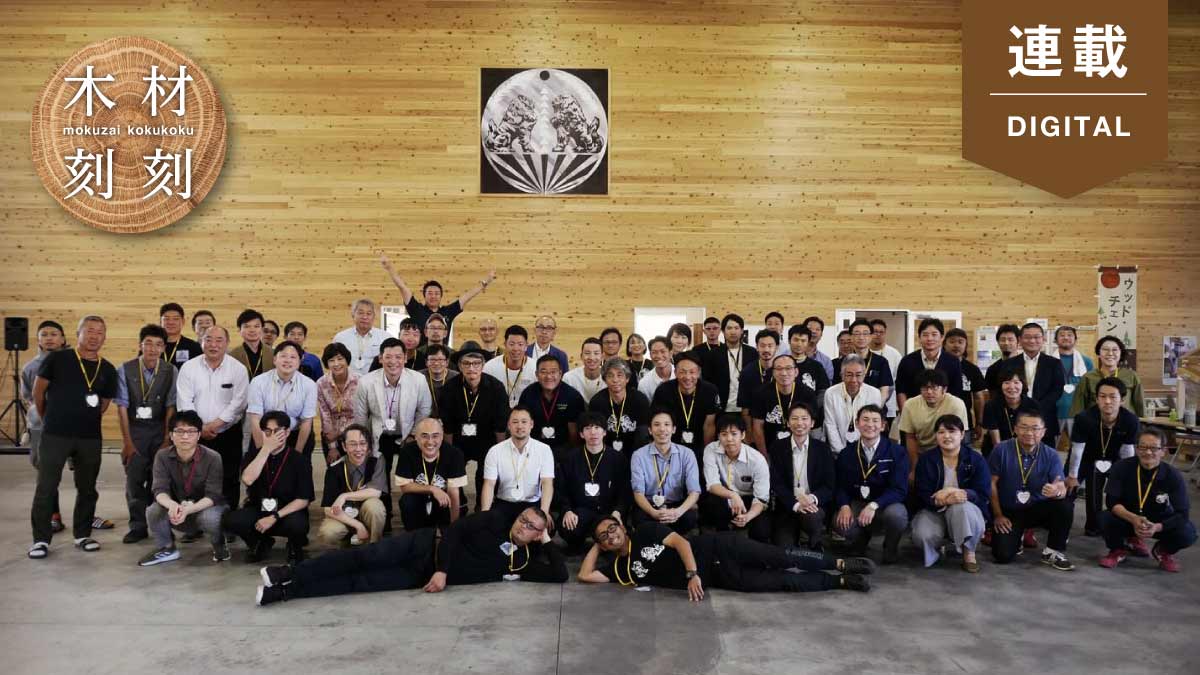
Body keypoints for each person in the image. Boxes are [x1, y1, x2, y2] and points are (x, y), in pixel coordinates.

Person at [254, 507, 565, 606]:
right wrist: (443, 570)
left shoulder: (523, 563)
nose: (522, 526)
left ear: (539, 534)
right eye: (523, 519)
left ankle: (285, 592)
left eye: (531, 527)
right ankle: (289, 572)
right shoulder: (495, 519)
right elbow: (454, 532)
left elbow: (560, 574)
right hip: (424, 545)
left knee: (358, 583)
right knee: (359, 559)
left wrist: (548, 542)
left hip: (419, 576)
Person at [578, 517, 874, 596]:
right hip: (722, 577)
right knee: (784, 582)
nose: (611, 536)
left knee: (784, 556)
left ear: (622, 527)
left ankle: (839, 563)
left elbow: (681, 543)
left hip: (721, 547)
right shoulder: (621, 569)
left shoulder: (644, 530)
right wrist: (597, 545)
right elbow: (585, 575)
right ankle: (841, 582)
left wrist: (692, 575)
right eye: (604, 536)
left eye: (612, 529)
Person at [28, 315, 119, 559]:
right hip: (55, 434)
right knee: (46, 486)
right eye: (89, 330)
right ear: (78, 334)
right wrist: (49, 419)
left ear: (104, 337)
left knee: (87, 488)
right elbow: (38, 392)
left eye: (99, 332)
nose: (94, 336)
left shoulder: (108, 369)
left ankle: (82, 535)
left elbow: (104, 404)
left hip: (89, 437)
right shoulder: (58, 359)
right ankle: (40, 540)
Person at [353, 337, 433, 530]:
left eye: (398, 357)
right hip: (379, 435)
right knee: (380, 474)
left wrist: (413, 435)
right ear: (380, 358)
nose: (393, 362)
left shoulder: (418, 379)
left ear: (405, 358)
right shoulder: (366, 382)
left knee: (412, 473)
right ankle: (384, 516)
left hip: (409, 434)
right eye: (388, 357)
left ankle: (415, 514)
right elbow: (361, 416)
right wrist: (363, 443)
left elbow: (424, 409)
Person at [175, 325, 250, 517]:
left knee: (229, 477)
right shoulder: (189, 367)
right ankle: (194, 520)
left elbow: (239, 402)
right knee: (195, 477)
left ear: (227, 343)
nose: (213, 345)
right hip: (195, 434)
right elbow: (184, 401)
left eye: (219, 340)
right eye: (208, 339)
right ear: (201, 342)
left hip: (228, 433)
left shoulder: (238, 369)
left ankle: (228, 520)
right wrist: (200, 428)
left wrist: (215, 425)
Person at [1098, 428, 1196, 572]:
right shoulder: (1121, 467)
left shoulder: (1173, 476)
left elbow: (1183, 513)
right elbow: (1111, 502)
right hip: (1128, 517)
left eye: (1154, 448)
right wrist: (1133, 519)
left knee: (1188, 532)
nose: (1148, 452)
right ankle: (1118, 549)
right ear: (1137, 449)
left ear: (1163, 451)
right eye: (1143, 447)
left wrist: (1157, 527)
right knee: (1105, 518)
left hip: (1158, 520)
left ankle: (1162, 551)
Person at [988, 410, 1075, 571]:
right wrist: (998, 515)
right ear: (1015, 429)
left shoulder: (1051, 454)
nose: (1029, 433)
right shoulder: (1001, 450)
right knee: (1002, 555)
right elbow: (991, 484)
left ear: (1043, 432)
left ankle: (1053, 551)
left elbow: (1061, 487)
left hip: (1037, 508)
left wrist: (1055, 491)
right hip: (1009, 511)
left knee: (1065, 505)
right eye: (1024, 427)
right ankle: (1018, 535)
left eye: (1035, 428)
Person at [138, 411, 228, 566]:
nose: (185, 436)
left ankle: (219, 544)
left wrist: (189, 509)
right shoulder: (162, 456)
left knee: (210, 518)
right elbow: (159, 490)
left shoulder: (213, 457)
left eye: (191, 432)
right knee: (153, 510)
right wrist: (172, 505)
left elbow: (213, 495)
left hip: (206, 508)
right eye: (179, 431)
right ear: (171, 435)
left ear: (198, 435)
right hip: (178, 508)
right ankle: (166, 548)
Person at [223, 411, 314, 564]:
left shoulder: (299, 460)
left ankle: (294, 546)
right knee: (232, 520)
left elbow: (303, 499)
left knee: (298, 525)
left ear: (287, 432)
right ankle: (260, 543)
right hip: (259, 508)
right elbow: (247, 479)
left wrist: (275, 517)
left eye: (277, 431)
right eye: (267, 431)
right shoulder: (254, 455)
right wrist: (266, 450)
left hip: (287, 512)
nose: (272, 436)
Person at [115, 324, 177, 544]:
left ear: (164, 348)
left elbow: (171, 406)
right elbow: (122, 407)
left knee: (159, 481)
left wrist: (167, 439)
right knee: (134, 481)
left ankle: (161, 526)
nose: (152, 349)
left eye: (158, 344)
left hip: (159, 430)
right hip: (135, 431)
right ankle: (137, 526)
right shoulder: (125, 369)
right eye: (148, 343)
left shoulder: (170, 370)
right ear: (140, 345)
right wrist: (127, 442)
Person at [911, 415, 990, 572]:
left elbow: (982, 493)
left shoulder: (976, 459)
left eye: (952, 431)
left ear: (962, 434)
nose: (946, 436)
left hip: (966, 510)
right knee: (921, 535)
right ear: (936, 436)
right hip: (935, 509)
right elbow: (921, 492)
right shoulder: (926, 459)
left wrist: (955, 492)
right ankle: (938, 548)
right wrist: (938, 501)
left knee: (960, 507)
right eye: (941, 432)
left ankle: (969, 553)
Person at [833, 405, 909, 564]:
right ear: (857, 423)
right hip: (858, 503)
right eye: (865, 420)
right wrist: (844, 506)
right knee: (840, 522)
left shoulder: (897, 452)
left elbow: (899, 490)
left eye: (875, 421)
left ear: (883, 425)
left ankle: (890, 547)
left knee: (897, 515)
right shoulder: (847, 453)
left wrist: (874, 505)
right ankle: (860, 541)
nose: (870, 425)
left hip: (884, 505)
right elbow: (841, 486)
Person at [1067, 377, 1139, 536]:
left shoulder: (1130, 420)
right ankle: (1087, 526)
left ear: (1122, 400)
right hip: (1085, 458)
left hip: (1114, 458)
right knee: (1068, 490)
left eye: (1113, 397)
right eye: (1102, 396)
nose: (1107, 401)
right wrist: (1072, 476)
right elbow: (1077, 450)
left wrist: (1128, 476)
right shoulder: (1084, 418)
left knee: (1129, 488)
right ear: (1096, 399)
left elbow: (1127, 452)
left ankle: (1125, 529)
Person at [439, 347, 509, 507]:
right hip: (458, 437)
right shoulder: (450, 388)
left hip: (487, 437)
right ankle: (459, 502)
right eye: (466, 363)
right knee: (454, 466)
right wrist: (449, 452)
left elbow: (500, 423)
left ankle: (482, 504)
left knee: (485, 471)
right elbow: (447, 424)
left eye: (476, 363)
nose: (471, 368)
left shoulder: (496, 387)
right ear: (459, 366)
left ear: (483, 365)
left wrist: (500, 451)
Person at [555, 412, 631, 553]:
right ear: (581, 434)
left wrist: (618, 511)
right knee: (568, 526)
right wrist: (567, 510)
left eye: (597, 428)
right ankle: (577, 545)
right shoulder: (570, 458)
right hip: (581, 511)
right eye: (588, 428)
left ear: (604, 432)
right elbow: (561, 488)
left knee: (616, 533)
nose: (593, 432)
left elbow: (625, 490)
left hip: (608, 511)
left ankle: (605, 546)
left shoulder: (617, 458)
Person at [769, 402, 836, 551]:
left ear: (812, 423)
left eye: (804, 418)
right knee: (785, 549)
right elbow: (776, 483)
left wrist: (812, 498)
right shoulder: (777, 447)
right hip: (788, 505)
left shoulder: (822, 449)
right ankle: (796, 538)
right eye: (794, 418)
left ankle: (814, 542)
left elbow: (829, 485)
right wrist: (796, 504)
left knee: (813, 516)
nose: (799, 423)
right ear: (788, 422)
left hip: (813, 505)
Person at [21, 320, 67, 532]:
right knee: (47, 474)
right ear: (38, 340)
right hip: (42, 427)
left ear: (63, 339)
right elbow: (28, 397)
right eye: (44, 334)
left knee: (84, 473)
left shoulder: (74, 363)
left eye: (54, 334)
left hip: (72, 427)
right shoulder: (30, 368)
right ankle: (53, 514)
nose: (49, 338)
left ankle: (88, 515)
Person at [381, 253, 496, 336]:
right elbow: (402, 287)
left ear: (441, 296)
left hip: (442, 357)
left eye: (437, 293)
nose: (433, 296)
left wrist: (486, 281)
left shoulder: (448, 311)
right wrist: (389, 268)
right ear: (424, 296)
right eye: (430, 293)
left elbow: (468, 296)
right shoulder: (417, 309)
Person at [700, 415, 771, 542]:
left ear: (743, 435)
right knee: (712, 503)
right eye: (724, 434)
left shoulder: (757, 459)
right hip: (724, 497)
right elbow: (712, 485)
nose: (729, 439)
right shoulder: (711, 449)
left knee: (762, 531)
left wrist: (748, 516)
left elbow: (761, 498)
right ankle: (720, 541)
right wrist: (733, 495)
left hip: (749, 500)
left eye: (734, 434)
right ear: (718, 436)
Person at [629, 409, 702, 535]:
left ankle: (663, 537)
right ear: (650, 430)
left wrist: (678, 512)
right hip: (650, 505)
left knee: (689, 518)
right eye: (657, 425)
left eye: (667, 424)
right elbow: (638, 492)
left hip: (676, 505)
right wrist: (653, 512)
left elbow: (694, 491)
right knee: (639, 518)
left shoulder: (687, 454)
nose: (662, 429)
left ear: (674, 429)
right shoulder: (638, 455)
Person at [480, 407, 556, 523]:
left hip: (532, 504)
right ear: (509, 425)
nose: (520, 426)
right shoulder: (495, 451)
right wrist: (485, 513)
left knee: (543, 527)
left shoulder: (544, 450)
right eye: (515, 422)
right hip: (504, 503)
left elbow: (547, 482)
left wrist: (544, 511)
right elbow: (489, 484)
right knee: (489, 525)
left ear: (531, 424)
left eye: (524, 422)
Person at [317, 424, 387, 547]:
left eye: (363, 443)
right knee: (328, 532)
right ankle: (346, 542)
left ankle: (374, 546)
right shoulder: (334, 469)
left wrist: (344, 496)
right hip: (344, 515)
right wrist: (358, 525)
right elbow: (328, 509)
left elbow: (376, 492)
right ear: (344, 446)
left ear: (369, 446)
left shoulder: (377, 460)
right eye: (353, 444)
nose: (358, 449)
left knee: (375, 506)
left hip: (366, 513)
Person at [246, 341, 318, 456]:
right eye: (283, 356)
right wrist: (262, 452)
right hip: (265, 434)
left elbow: (306, 421)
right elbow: (255, 419)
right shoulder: (258, 382)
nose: (288, 360)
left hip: (294, 435)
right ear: (275, 359)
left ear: (299, 362)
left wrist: (297, 455)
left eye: (293, 357)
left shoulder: (309, 385)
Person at [395, 418, 468, 530]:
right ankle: (415, 534)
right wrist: (433, 489)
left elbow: (453, 492)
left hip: (444, 502)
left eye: (435, 436)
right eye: (424, 436)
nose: (430, 442)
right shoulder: (407, 452)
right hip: (420, 501)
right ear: (416, 437)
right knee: (407, 501)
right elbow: (405, 486)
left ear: (442, 436)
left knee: (452, 529)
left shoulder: (455, 454)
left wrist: (454, 528)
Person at [894, 369, 970, 472]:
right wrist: (915, 468)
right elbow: (910, 437)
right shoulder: (910, 404)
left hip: (948, 450)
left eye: (934, 388)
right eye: (925, 388)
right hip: (921, 452)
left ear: (944, 389)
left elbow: (958, 436)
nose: (929, 392)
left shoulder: (956, 404)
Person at [1001, 323, 1065, 440]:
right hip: (1016, 417)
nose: (1032, 340)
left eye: (1036, 337)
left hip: (1044, 417)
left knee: (1044, 451)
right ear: (1020, 340)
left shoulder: (1054, 363)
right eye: (1027, 337)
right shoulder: (1009, 364)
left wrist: (1037, 408)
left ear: (1043, 339)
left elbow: (1057, 390)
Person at [651, 353, 720, 459]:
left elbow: (709, 425)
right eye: (682, 372)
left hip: (699, 443)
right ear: (675, 373)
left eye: (692, 372)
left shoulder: (710, 391)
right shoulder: (663, 391)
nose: (687, 377)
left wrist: (707, 454)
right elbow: (659, 422)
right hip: (671, 443)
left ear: (699, 372)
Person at [749, 354, 818, 456]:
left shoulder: (807, 394)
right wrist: (764, 457)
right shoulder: (761, 394)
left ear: (796, 372)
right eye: (779, 369)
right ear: (773, 372)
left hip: (799, 449)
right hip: (770, 448)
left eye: (788, 368)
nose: (784, 373)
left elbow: (811, 427)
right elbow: (757, 427)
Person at [894, 318, 964, 412]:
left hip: (944, 413)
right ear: (919, 337)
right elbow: (901, 391)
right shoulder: (907, 361)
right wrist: (905, 413)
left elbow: (956, 391)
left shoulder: (953, 362)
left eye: (934, 334)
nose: (930, 338)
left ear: (942, 337)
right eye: (925, 335)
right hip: (915, 412)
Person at [519, 354, 585, 454]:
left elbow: (574, 433)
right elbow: (522, 424)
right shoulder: (527, 394)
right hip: (533, 448)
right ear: (536, 374)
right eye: (543, 372)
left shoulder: (572, 396)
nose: (548, 376)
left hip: (564, 449)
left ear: (560, 373)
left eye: (553, 372)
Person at [1070, 336, 1146, 418]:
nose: (1110, 353)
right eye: (1105, 349)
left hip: (1125, 423)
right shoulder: (1088, 378)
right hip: (1095, 423)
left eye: (1115, 350)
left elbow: (1140, 405)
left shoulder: (1131, 376)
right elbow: (1078, 408)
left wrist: (1143, 423)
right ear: (1098, 353)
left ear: (1120, 353)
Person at [823, 355, 883, 456]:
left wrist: (860, 452)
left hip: (865, 449)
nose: (854, 380)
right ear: (842, 375)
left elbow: (872, 426)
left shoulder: (874, 393)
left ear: (864, 375)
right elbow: (830, 425)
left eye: (858, 375)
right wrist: (842, 453)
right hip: (837, 451)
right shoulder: (831, 393)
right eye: (849, 375)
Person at [588, 359, 650, 455]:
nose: (615, 380)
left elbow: (644, 434)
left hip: (635, 453)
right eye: (610, 376)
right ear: (604, 379)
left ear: (627, 379)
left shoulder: (640, 400)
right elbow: (594, 434)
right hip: (606, 453)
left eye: (619, 375)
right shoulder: (596, 402)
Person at [703, 314, 758, 414]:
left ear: (742, 331)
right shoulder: (712, 354)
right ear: (723, 331)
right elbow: (708, 381)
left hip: (747, 409)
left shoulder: (752, 353)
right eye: (729, 328)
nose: (733, 332)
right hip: (722, 408)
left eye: (736, 328)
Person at [315, 343, 360, 465]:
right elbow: (325, 415)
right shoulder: (321, 383)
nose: (336, 364)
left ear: (347, 360)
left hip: (356, 434)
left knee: (356, 471)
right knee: (334, 470)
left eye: (340, 359)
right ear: (327, 363)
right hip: (330, 436)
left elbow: (362, 414)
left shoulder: (360, 381)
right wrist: (332, 446)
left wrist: (341, 431)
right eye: (331, 360)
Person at [980, 366, 1039, 451]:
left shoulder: (1033, 405)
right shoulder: (991, 405)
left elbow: (1034, 434)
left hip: (1025, 448)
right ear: (1001, 385)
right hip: (997, 450)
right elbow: (996, 442)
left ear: (1023, 384)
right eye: (1007, 382)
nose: (1011, 387)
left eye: (1016, 382)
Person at [838, 320, 893, 407]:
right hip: (846, 409)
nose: (861, 337)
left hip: (874, 410)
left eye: (865, 333)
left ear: (871, 336)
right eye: (857, 334)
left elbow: (884, 392)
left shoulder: (881, 362)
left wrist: (874, 411)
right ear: (851, 337)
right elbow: (837, 390)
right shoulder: (840, 362)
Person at [944, 327, 986, 444]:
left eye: (960, 342)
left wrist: (979, 423)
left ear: (966, 345)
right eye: (952, 341)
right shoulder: (938, 366)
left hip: (964, 423)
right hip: (939, 422)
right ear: (944, 344)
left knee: (964, 453)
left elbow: (978, 398)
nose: (956, 345)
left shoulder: (972, 369)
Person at [1051, 325, 1092, 442]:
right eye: (1062, 335)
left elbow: (1090, 389)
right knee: (1049, 448)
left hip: (1079, 414)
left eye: (1069, 335)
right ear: (1056, 340)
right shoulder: (1047, 361)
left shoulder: (1086, 362)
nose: (1066, 337)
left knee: (1078, 449)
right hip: (1053, 414)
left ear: (1075, 339)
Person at [738, 330, 779, 444]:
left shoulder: (782, 370)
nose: (766, 349)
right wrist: (749, 432)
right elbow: (745, 408)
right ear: (757, 347)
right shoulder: (747, 372)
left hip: (778, 424)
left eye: (770, 346)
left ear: (777, 347)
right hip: (755, 424)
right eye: (762, 345)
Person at [333, 298, 391, 376]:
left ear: (374, 316)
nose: (365, 317)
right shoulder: (340, 338)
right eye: (360, 313)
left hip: (375, 381)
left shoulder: (385, 337)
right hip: (347, 381)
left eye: (369, 313)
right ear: (353, 315)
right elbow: (334, 362)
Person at [484, 325, 537, 407]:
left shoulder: (535, 367)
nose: (515, 348)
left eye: (520, 344)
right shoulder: (489, 367)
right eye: (511, 344)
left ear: (526, 346)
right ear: (505, 344)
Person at [782, 325, 830, 402]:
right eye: (796, 340)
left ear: (808, 343)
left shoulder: (817, 366)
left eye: (803, 341)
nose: (799, 344)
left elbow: (823, 392)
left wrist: (813, 406)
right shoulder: (780, 365)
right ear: (789, 341)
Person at [868, 319, 903, 422]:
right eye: (875, 332)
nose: (878, 335)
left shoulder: (895, 354)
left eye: (881, 332)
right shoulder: (865, 352)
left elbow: (899, 381)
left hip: (889, 407)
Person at [229, 309, 273, 381]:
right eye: (246, 326)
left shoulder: (273, 354)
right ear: (239, 330)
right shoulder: (232, 356)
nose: (252, 330)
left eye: (256, 326)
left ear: (262, 329)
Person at [417, 344, 457, 418]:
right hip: (424, 419)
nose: (436, 363)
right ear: (426, 362)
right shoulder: (418, 377)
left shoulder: (456, 377)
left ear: (447, 362)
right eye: (432, 360)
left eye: (440, 360)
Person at [159, 303, 201, 370]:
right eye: (166, 319)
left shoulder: (194, 347)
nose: (171, 322)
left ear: (183, 321)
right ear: (160, 322)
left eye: (175, 319)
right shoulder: (152, 347)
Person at [984, 324, 1022, 397]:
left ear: (1018, 342)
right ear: (998, 342)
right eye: (1003, 340)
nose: (1006, 343)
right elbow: (992, 396)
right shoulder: (992, 369)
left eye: (1010, 340)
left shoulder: (1026, 365)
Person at [802, 316, 835, 382]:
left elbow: (828, 384)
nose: (813, 331)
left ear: (821, 334)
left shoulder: (826, 361)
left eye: (817, 329)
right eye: (810, 328)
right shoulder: (787, 355)